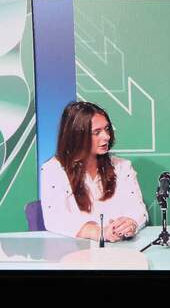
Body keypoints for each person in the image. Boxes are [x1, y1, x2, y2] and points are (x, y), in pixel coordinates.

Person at [39, 101, 148, 241]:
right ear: (76, 136)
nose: (106, 136)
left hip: (121, 252)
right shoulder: (53, 170)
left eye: (107, 129)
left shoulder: (123, 167)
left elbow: (137, 209)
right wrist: (98, 232)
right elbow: (55, 219)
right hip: (74, 255)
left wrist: (130, 222)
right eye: (97, 132)